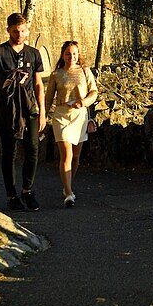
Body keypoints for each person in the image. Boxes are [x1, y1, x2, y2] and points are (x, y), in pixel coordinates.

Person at [0, 12, 46, 211]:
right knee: (9, 151)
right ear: (8, 30)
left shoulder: (34, 53)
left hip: (30, 108)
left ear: (27, 30)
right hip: (7, 108)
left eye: (23, 31)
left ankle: (27, 190)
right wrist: (7, 76)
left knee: (33, 148)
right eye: (15, 31)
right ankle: (12, 196)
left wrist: (43, 111)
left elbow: (38, 84)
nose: (19, 34)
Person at [45, 41, 99, 207]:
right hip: (61, 115)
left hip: (79, 116)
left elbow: (94, 91)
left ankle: (67, 185)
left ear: (78, 55)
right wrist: (44, 116)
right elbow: (48, 97)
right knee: (66, 155)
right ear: (63, 55)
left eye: (74, 53)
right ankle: (69, 194)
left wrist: (83, 102)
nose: (71, 57)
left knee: (75, 157)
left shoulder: (85, 71)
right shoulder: (56, 74)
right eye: (68, 53)